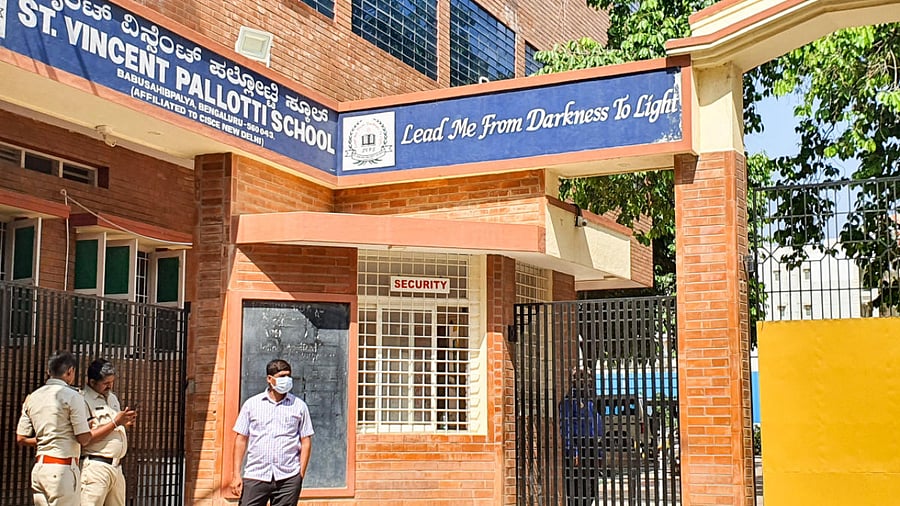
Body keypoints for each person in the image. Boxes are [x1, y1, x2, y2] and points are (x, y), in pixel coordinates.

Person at [230, 359, 314, 506]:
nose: (286, 380)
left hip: (288, 477)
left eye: (288, 376)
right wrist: (236, 474)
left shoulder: (299, 406)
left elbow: (305, 441)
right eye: (281, 377)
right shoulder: (252, 405)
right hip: (256, 475)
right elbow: (241, 439)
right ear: (270, 379)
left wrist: (299, 475)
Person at [15, 350, 92, 506]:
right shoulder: (73, 396)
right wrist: (87, 428)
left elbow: (21, 438)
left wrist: (48, 437)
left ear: (48, 371)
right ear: (70, 371)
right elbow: (84, 439)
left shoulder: (33, 397)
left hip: (40, 469)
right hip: (63, 469)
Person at [80, 358, 137, 506]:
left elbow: (114, 426)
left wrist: (124, 423)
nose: (110, 386)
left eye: (112, 382)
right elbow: (85, 438)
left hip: (117, 467)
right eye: (105, 383)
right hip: (96, 466)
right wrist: (115, 423)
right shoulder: (82, 400)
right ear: (92, 382)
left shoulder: (112, 398)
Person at [558, 369, 604, 506]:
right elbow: (567, 427)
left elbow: (596, 426)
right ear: (574, 381)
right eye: (583, 378)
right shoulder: (569, 402)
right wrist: (574, 452)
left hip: (591, 447)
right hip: (579, 447)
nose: (587, 381)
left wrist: (599, 453)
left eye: (588, 378)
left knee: (591, 486)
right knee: (578, 488)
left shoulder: (589, 401)